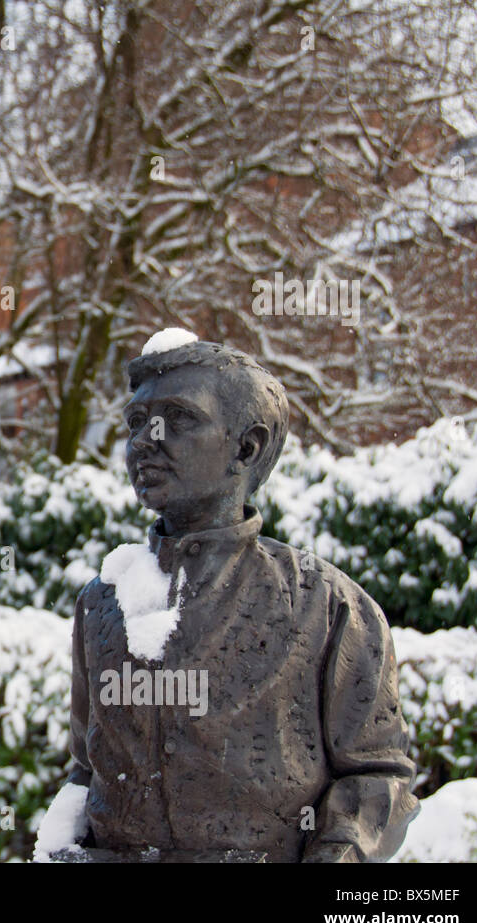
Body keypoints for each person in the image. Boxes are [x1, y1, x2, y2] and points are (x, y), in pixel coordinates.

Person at [34, 330, 419, 863]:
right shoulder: (103, 601)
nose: (146, 439)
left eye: (177, 417)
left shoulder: (325, 604)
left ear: (247, 447)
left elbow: (379, 777)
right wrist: (63, 844)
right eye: (136, 422)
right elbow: (88, 763)